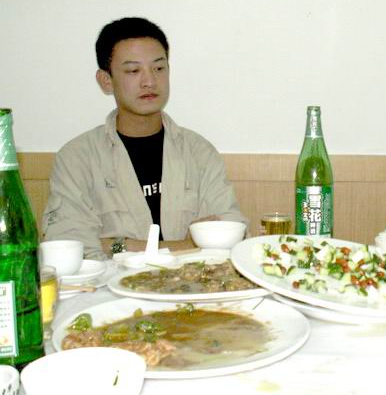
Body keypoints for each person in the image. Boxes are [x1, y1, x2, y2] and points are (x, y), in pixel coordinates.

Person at [42, 17, 247, 260]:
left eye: (159, 69)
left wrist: (116, 245)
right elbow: (69, 248)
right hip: (110, 284)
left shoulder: (199, 152)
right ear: (106, 81)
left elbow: (230, 235)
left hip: (190, 282)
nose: (149, 81)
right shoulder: (77, 158)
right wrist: (184, 245)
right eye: (133, 71)